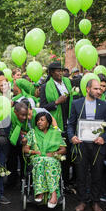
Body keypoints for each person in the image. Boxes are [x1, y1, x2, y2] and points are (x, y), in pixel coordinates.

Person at [67, 79, 106, 211]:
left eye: (100, 89)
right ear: (88, 89)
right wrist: (72, 137)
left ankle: (96, 202)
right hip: (81, 144)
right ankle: (82, 201)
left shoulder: (104, 105)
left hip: (97, 145)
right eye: (96, 89)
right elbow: (70, 123)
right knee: (81, 174)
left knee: (97, 174)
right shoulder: (77, 103)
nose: (99, 91)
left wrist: (103, 138)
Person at [40, 61, 73, 189]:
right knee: (57, 152)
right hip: (55, 124)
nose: (60, 73)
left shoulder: (68, 83)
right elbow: (42, 107)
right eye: (58, 71)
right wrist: (56, 102)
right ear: (52, 73)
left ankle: (66, 182)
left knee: (67, 154)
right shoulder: (45, 87)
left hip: (69, 121)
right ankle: (54, 182)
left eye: (62, 70)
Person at [23, 111, 66, 207]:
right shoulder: (32, 132)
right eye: (38, 120)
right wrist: (33, 152)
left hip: (52, 158)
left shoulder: (55, 133)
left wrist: (55, 153)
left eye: (42, 120)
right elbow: (25, 149)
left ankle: (53, 194)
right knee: (41, 161)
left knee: (48, 161)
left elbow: (63, 149)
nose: (39, 122)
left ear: (48, 123)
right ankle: (40, 192)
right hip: (37, 158)